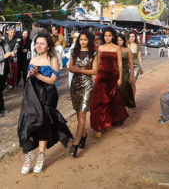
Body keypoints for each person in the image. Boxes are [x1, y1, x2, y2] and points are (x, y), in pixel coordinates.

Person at [17, 32, 73, 174]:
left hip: (48, 95)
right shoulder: (33, 60)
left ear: (48, 46)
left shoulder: (53, 59)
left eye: (42, 43)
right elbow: (29, 81)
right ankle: (28, 153)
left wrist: (37, 75)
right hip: (33, 96)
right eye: (37, 43)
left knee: (44, 124)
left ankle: (41, 155)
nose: (39, 45)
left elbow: (53, 81)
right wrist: (31, 76)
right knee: (26, 124)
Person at [90, 27, 128, 138]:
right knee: (97, 102)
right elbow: (97, 62)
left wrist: (120, 78)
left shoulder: (117, 48)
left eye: (109, 35)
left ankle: (106, 122)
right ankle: (98, 127)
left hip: (112, 77)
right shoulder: (100, 48)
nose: (107, 37)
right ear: (103, 36)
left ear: (113, 36)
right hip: (101, 77)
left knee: (110, 101)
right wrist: (95, 75)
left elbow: (120, 64)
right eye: (106, 35)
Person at [68, 30, 98, 158]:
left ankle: (75, 144)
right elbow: (69, 67)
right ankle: (83, 135)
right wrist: (72, 68)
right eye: (81, 39)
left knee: (82, 115)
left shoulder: (94, 53)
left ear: (89, 40)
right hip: (75, 85)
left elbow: (95, 71)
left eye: (85, 39)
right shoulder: (73, 52)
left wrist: (80, 70)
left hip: (86, 86)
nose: (83, 41)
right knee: (77, 114)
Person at [117, 34, 135, 108]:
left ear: (124, 41)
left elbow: (131, 63)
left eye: (120, 40)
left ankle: (122, 108)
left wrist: (131, 76)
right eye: (117, 40)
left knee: (123, 91)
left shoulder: (127, 50)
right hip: (114, 73)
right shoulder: (114, 49)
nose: (119, 42)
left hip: (125, 73)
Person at [0, 32, 13, 115]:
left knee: (1, 90)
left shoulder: (4, 44)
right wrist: (4, 56)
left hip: (4, 71)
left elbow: (8, 54)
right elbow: (3, 57)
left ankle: (1, 108)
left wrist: (11, 54)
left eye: (0, 35)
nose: (0, 37)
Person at [127, 31, 143, 96]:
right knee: (128, 83)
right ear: (128, 37)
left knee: (133, 82)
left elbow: (139, 57)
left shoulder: (138, 46)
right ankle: (127, 98)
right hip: (127, 66)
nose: (131, 38)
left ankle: (132, 98)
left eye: (133, 36)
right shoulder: (125, 44)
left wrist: (141, 68)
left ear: (135, 37)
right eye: (130, 36)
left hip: (136, 66)